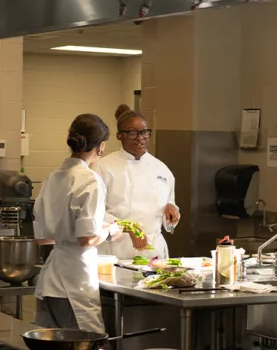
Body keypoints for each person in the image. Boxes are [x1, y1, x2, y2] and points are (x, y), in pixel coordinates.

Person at [33, 114, 123, 333]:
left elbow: (42, 237)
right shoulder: (90, 180)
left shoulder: (53, 177)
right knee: (85, 349)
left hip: (49, 283)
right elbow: (87, 239)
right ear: (101, 146)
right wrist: (110, 231)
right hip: (74, 284)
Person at [94, 105, 179, 260]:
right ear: (119, 136)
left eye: (145, 132)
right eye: (132, 133)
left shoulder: (161, 169)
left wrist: (171, 211)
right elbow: (95, 212)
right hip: (116, 249)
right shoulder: (103, 167)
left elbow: (169, 208)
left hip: (153, 250)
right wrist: (127, 227)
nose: (140, 138)